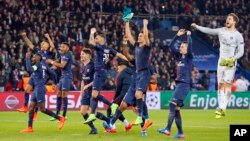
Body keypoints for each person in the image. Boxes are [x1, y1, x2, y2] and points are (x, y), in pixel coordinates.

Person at [191, 13, 244, 118]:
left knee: (227, 84)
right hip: (221, 62)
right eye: (227, 18)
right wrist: (197, 27)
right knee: (220, 85)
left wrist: (233, 58)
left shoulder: (238, 35)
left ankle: (223, 107)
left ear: (234, 22)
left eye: (229, 19)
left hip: (231, 63)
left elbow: (241, 52)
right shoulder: (221, 30)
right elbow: (209, 30)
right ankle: (220, 107)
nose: (227, 20)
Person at [83, 28, 128, 124]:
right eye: (95, 38)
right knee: (94, 95)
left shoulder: (100, 47)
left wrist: (92, 32)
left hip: (99, 73)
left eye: (97, 38)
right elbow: (119, 54)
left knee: (94, 95)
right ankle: (91, 115)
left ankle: (112, 105)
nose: (95, 39)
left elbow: (91, 42)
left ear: (102, 38)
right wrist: (127, 59)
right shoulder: (108, 48)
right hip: (101, 73)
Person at [157, 29, 193, 139]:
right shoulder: (180, 57)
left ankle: (167, 129)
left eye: (182, 47)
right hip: (180, 85)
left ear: (187, 50)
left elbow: (190, 46)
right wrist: (177, 35)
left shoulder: (189, 57)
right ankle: (180, 133)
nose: (180, 48)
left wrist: (188, 36)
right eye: (181, 46)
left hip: (184, 84)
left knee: (172, 104)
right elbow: (171, 46)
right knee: (176, 109)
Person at [20, 52, 65, 133]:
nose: (33, 58)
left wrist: (27, 58)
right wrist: (54, 83)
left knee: (42, 109)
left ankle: (60, 118)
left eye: (34, 57)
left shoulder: (38, 64)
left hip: (40, 88)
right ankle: (29, 127)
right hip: (37, 88)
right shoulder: (44, 66)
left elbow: (29, 70)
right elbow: (53, 74)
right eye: (32, 57)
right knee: (31, 108)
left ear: (38, 58)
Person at [17, 32, 56, 115]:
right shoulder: (37, 51)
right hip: (35, 73)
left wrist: (48, 37)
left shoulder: (48, 53)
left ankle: (35, 111)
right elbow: (30, 44)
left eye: (45, 43)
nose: (43, 43)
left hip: (43, 75)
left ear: (47, 46)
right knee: (27, 89)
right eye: (42, 43)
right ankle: (25, 106)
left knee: (37, 93)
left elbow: (53, 47)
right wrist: (25, 37)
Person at [125, 19, 151, 125]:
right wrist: (126, 22)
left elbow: (146, 36)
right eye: (139, 36)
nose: (139, 37)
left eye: (141, 36)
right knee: (138, 96)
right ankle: (145, 118)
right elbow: (128, 35)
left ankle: (140, 117)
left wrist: (144, 25)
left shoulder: (146, 47)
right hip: (138, 73)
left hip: (145, 73)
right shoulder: (136, 45)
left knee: (138, 94)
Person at [106, 58, 133, 133]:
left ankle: (112, 128)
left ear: (123, 66)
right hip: (131, 94)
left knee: (110, 108)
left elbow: (118, 89)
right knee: (118, 110)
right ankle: (127, 125)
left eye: (119, 66)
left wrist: (114, 100)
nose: (117, 67)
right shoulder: (132, 72)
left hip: (123, 94)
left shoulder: (121, 75)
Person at [46, 42, 72, 120]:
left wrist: (52, 62)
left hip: (67, 76)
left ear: (67, 48)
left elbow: (62, 65)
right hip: (62, 76)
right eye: (61, 46)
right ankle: (57, 114)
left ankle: (64, 115)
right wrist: (52, 66)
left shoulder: (68, 54)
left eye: (63, 47)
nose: (61, 48)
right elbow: (57, 62)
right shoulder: (62, 55)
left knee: (64, 95)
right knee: (58, 94)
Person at [79, 48, 98, 134]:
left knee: (93, 113)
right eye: (81, 54)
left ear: (88, 56)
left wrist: (89, 85)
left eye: (83, 54)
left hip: (93, 91)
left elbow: (98, 79)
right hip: (86, 92)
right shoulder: (82, 67)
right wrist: (81, 93)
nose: (81, 55)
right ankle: (94, 129)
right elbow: (83, 81)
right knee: (83, 112)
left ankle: (109, 121)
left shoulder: (93, 65)